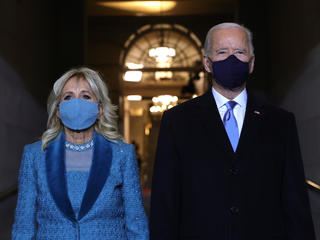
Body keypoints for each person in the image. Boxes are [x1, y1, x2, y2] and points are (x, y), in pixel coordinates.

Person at [150, 22, 316, 240]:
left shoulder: (280, 123)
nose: (232, 59)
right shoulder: (178, 121)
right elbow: (165, 202)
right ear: (207, 63)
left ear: (252, 62)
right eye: (222, 52)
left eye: (240, 52)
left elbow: (295, 203)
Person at [12, 67, 149, 239]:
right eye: (68, 97)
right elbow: (23, 227)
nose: (77, 103)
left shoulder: (122, 154)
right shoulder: (35, 155)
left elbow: (136, 223)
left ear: (99, 109)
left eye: (86, 96)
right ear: (58, 111)